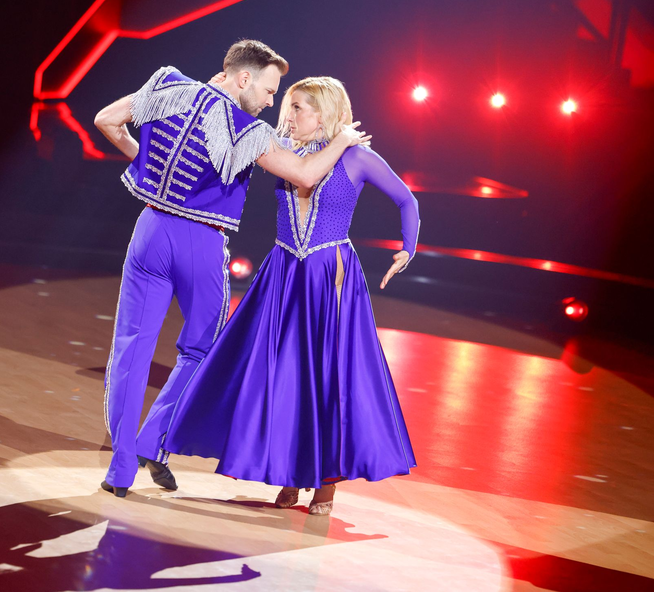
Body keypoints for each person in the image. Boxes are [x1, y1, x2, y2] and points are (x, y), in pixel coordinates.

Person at [93, 41, 371, 498]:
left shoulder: (167, 85)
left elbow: (106, 120)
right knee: (203, 350)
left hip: (149, 231)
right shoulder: (247, 128)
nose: (268, 102)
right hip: (200, 242)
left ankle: (120, 469)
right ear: (243, 79)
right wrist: (341, 140)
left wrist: (147, 164)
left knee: (130, 348)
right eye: (267, 90)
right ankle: (153, 439)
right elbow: (304, 175)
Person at [164, 76, 419, 515]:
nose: (289, 115)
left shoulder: (359, 158)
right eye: (288, 106)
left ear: (323, 112)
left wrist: (407, 248)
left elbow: (406, 200)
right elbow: (298, 170)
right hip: (283, 271)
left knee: (329, 377)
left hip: (328, 275)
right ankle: (288, 473)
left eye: (299, 107)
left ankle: (324, 483)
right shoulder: (281, 153)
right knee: (280, 376)